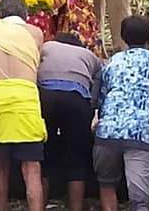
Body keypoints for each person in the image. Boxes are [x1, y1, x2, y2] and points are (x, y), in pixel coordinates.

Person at [93, 16, 149, 211]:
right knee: (140, 200)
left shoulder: (111, 63)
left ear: (123, 37)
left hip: (107, 132)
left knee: (107, 186)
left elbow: (101, 99)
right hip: (141, 134)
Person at [0, 0, 46, 211]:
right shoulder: (35, 33)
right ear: (25, 15)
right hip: (25, 97)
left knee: (1, 166)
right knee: (32, 168)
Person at [37, 33, 102, 211]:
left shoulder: (46, 47)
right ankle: (75, 206)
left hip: (46, 97)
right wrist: (91, 107)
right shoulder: (90, 56)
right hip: (76, 99)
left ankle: (38, 206)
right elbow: (95, 89)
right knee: (77, 158)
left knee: (43, 154)